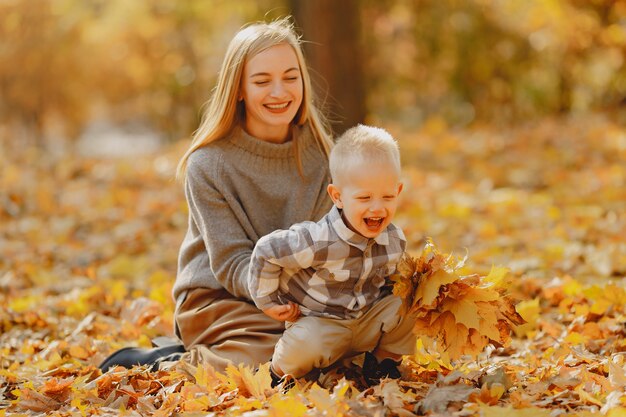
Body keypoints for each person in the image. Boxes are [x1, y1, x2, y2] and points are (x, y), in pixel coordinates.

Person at [99, 17, 334, 373]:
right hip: (217, 297)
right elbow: (231, 262)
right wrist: (272, 296)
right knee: (274, 360)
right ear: (238, 88)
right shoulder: (208, 164)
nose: (279, 92)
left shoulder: (324, 160)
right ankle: (166, 363)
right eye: (261, 81)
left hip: (297, 298)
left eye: (290, 77)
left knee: (326, 351)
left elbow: (327, 247)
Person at [248, 124, 417, 385]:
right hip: (322, 324)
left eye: (387, 196)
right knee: (307, 343)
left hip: (366, 320)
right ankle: (277, 375)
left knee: (412, 302)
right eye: (364, 197)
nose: (377, 207)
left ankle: (381, 364)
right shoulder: (317, 240)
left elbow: (395, 286)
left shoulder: (394, 240)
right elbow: (267, 251)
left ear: (398, 191)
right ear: (337, 196)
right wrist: (268, 301)